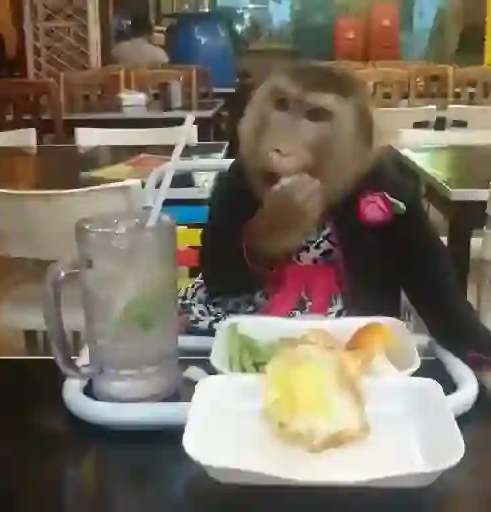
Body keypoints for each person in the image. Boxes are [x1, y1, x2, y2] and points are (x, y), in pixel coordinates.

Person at [177, 64, 491, 380]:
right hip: (246, 339)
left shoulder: (384, 185)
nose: (284, 138)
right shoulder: (241, 180)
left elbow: (431, 283)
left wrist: (478, 351)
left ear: (358, 137)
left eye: (316, 115)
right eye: (282, 105)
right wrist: (264, 239)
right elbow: (220, 281)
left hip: (349, 345)